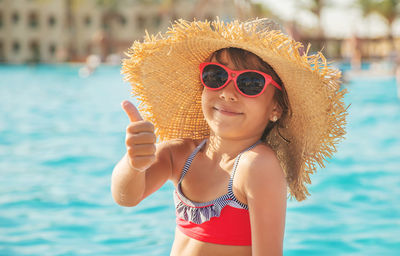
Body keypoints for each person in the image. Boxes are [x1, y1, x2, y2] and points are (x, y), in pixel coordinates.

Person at [111, 18, 348, 255]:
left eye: (250, 83)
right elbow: (126, 197)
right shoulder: (181, 154)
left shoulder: (256, 165)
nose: (227, 92)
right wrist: (134, 164)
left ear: (276, 107)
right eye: (216, 76)